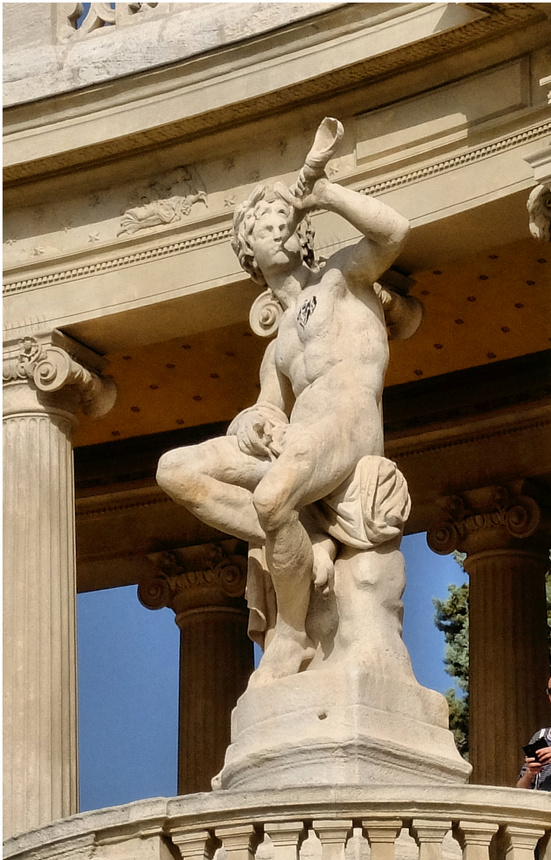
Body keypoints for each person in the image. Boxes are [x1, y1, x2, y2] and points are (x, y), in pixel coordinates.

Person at [156, 119, 411, 687]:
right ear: (249, 251)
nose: (275, 226)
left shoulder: (341, 278)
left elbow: (394, 232)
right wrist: (253, 425)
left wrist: (325, 193)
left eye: (281, 219)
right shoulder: (276, 350)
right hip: (301, 445)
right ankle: (300, 538)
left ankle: (291, 633)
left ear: (301, 234)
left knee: (273, 500)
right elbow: (267, 410)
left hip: (347, 423)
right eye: (261, 225)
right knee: (176, 468)